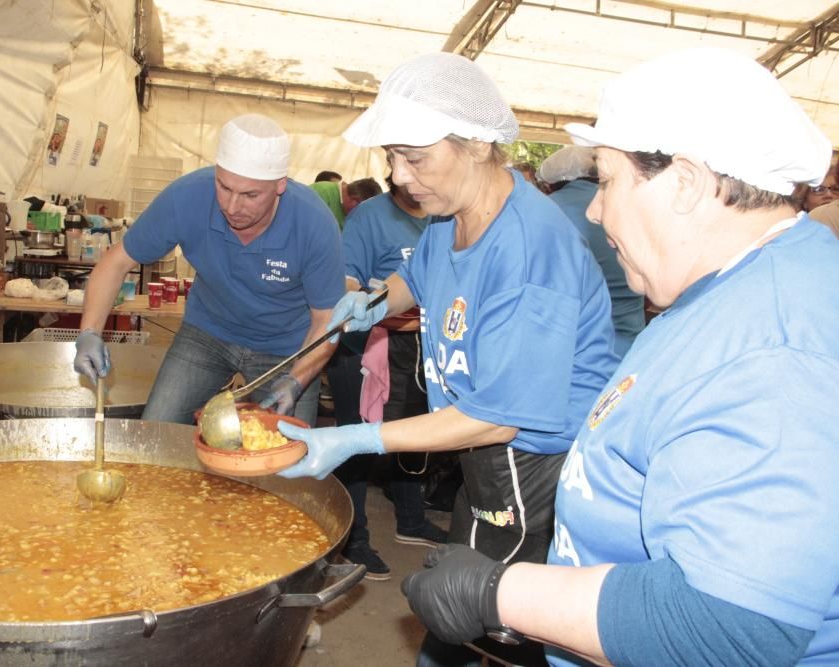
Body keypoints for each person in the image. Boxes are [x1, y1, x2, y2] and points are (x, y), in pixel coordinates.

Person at [400, 47, 839, 667]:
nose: (596, 209)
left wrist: (500, 591)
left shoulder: (777, 350)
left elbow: (724, 631)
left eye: (606, 181)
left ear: (684, 183)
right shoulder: (730, 286)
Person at [277, 52, 619, 666]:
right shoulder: (450, 215)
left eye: (416, 156)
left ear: (480, 143)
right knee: (458, 589)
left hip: (528, 456)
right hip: (484, 441)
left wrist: (358, 436)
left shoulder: (529, 250)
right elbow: (420, 275)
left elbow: (503, 416)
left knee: (487, 612)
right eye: (390, 159)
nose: (400, 176)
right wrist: (376, 301)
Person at [73, 113, 345, 427]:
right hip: (208, 333)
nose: (231, 206)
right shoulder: (187, 197)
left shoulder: (314, 223)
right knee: (157, 430)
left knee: (285, 461)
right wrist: (89, 332)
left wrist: (298, 379)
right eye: (224, 187)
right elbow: (117, 261)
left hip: (286, 348)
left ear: (280, 185)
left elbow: (328, 320)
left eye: (250, 195)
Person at [330, 173, 451, 580]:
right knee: (357, 441)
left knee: (415, 430)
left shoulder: (444, 214)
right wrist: (357, 302)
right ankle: (354, 536)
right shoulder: (369, 216)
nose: (413, 179)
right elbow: (348, 278)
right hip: (369, 346)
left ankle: (411, 518)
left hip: (423, 345)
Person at [538, 146, 644, 356]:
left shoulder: (544, 211)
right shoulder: (627, 205)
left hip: (578, 351)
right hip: (632, 343)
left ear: (552, 182)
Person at [310, 177, 383, 229]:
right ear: (355, 200)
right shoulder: (322, 192)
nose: (360, 216)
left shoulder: (349, 214)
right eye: (361, 212)